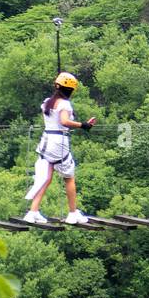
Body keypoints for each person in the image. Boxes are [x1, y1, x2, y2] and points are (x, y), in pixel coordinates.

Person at [23, 72, 97, 224]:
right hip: (59, 143)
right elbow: (64, 122)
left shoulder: (47, 102)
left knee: (46, 178)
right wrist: (83, 125)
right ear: (70, 90)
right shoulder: (64, 104)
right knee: (69, 178)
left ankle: (33, 212)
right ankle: (72, 213)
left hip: (46, 141)